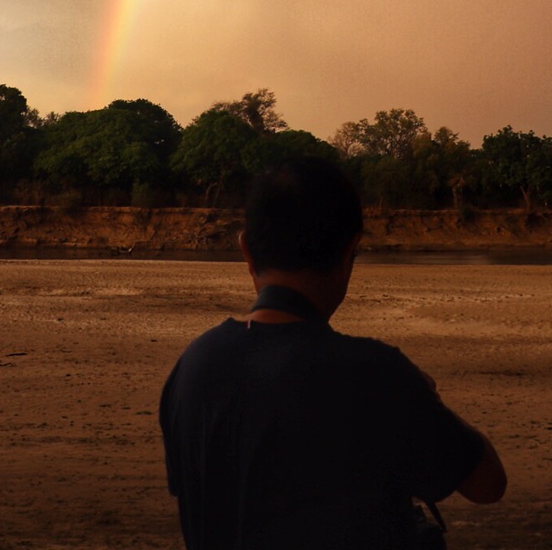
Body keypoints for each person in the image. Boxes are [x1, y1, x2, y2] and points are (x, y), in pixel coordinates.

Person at [160, 157, 507, 549]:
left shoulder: (194, 366)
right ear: (350, 253)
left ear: (247, 252)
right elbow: (488, 483)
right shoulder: (376, 375)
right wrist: (422, 395)